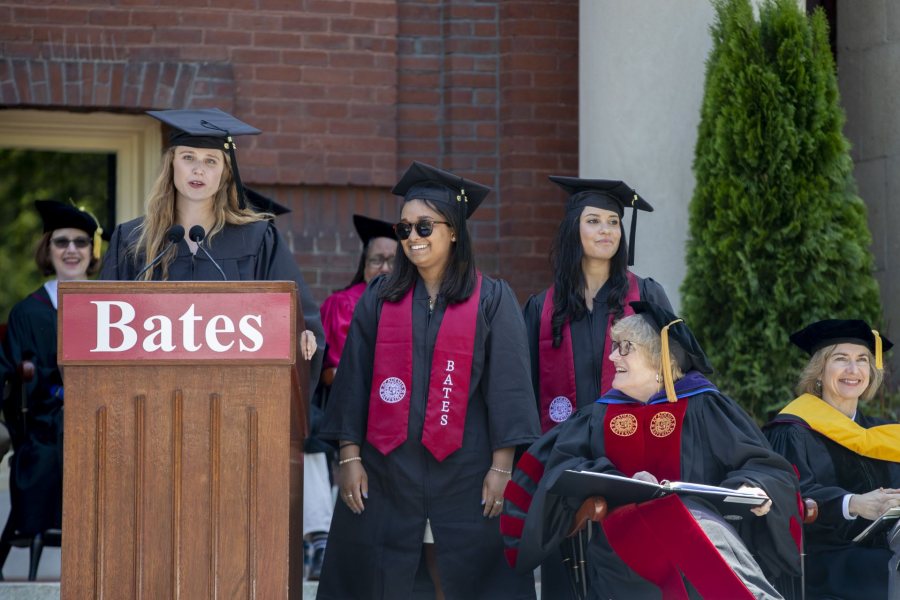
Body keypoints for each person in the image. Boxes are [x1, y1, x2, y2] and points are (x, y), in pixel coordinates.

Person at [317, 161, 541, 599]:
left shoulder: (492, 298)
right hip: (386, 473)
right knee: (392, 579)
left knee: (459, 578)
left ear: (453, 230)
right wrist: (348, 458)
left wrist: (502, 468)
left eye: (424, 227)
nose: (412, 239)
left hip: (467, 472)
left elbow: (509, 387)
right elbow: (354, 382)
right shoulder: (379, 300)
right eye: (404, 230)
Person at [503, 302, 802, 600]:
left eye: (625, 348)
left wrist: (752, 486)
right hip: (624, 559)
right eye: (614, 346)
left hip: (699, 548)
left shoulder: (703, 406)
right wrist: (618, 480)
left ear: (660, 359)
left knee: (691, 524)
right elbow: (562, 469)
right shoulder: (598, 417)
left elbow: (766, 467)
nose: (611, 356)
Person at [522, 177, 673, 598]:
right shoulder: (542, 306)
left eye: (613, 222)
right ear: (574, 229)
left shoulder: (646, 295)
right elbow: (525, 390)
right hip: (564, 463)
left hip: (634, 462)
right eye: (594, 221)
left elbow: (673, 376)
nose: (606, 231)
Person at [99, 108, 323, 381]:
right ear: (171, 164)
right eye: (188, 157)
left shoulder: (257, 238)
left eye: (211, 161)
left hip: (238, 395)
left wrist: (303, 338)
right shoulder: (132, 240)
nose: (198, 169)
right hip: (150, 393)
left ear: (225, 173)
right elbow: (101, 329)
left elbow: (299, 322)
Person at [0, 200, 102, 571]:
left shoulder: (111, 305)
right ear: (48, 248)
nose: (71, 250)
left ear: (93, 250)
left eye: (80, 242)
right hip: (45, 423)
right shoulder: (28, 312)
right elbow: (9, 376)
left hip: (105, 416)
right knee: (56, 442)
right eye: (61, 242)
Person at [765, 319, 900, 600]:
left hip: (889, 547)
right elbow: (789, 498)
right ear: (819, 371)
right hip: (826, 562)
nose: (854, 370)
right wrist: (853, 504)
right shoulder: (793, 430)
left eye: (862, 360)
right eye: (841, 359)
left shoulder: (883, 432)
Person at [304, 213, 398, 581]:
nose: (384, 267)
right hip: (347, 406)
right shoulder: (343, 302)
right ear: (364, 262)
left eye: (392, 260)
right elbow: (325, 370)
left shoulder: (411, 303)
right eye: (376, 259)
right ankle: (319, 540)